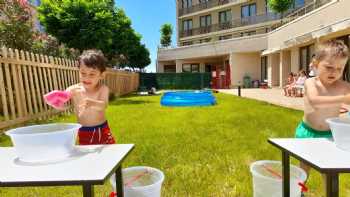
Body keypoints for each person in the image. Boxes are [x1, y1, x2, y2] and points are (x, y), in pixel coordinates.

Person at [295, 40, 350, 193]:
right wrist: (343, 99)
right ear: (315, 63)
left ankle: (329, 194)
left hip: (330, 134)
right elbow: (315, 102)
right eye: (329, 67)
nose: (334, 72)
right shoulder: (311, 83)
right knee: (304, 171)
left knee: (329, 172)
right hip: (307, 132)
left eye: (340, 68)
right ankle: (300, 191)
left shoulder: (344, 86)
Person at [66, 49, 116, 145]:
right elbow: (62, 104)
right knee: (88, 156)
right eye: (83, 73)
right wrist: (56, 101)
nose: (86, 78)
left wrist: (92, 103)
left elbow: (103, 105)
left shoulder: (103, 89)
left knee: (109, 154)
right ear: (79, 71)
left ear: (102, 75)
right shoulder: (73, 89)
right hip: (83, 131)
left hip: (101, 130)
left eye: (92, 74)